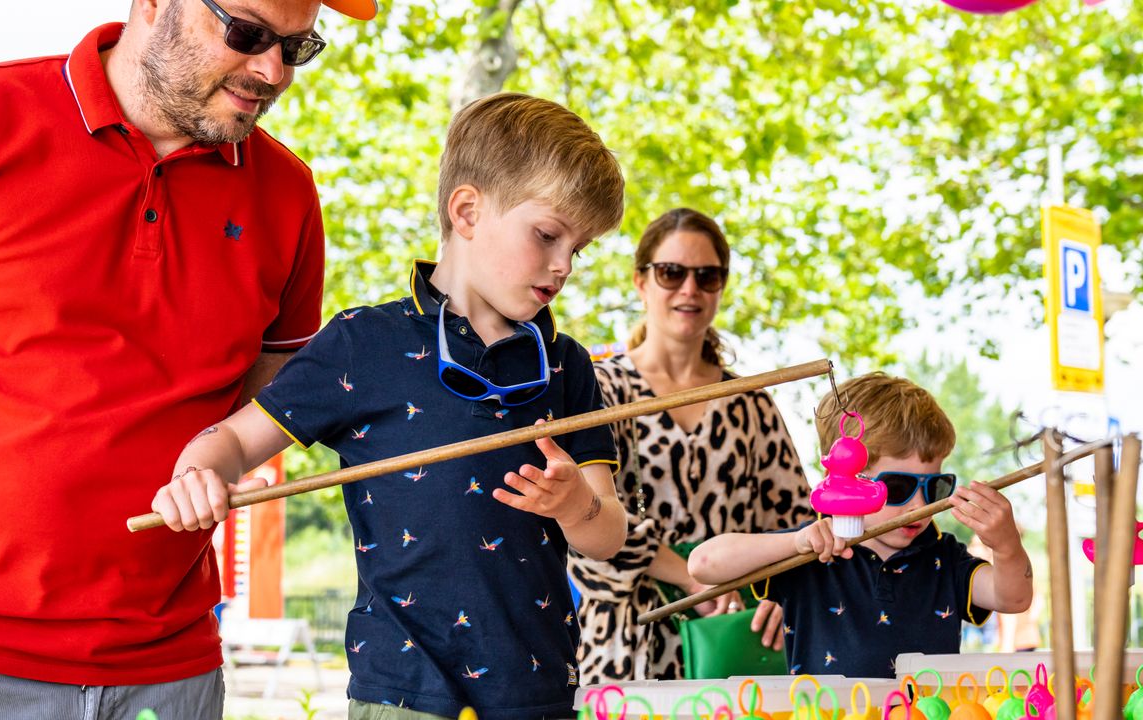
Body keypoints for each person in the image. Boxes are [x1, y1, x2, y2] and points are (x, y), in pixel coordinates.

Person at [0, 0, 375, 716]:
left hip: (170, 667)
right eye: (248, 34)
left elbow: (261, 409)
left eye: (297, 47)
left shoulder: (289, 196)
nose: (272, 71)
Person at [152, 92, 628, 719]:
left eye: (580, 247)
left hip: (535, 692)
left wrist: (575, 506)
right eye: (547, 235)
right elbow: (235, 441)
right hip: (399, 690)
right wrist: (197, 473)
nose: (565, 264)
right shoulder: (361, 342)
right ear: (467, 211)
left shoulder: (567, 365)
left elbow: (608, 536)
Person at [567, 208, 814, 683]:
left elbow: (797, 527)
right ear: (641, 281)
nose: (689, 289)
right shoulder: (599, 391)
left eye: (707, 276)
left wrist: (784, 598)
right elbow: (580, 521)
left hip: (735, 648)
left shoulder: (752, 403)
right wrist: (689, 574)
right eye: (671, 273)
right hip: (626, 649)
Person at [688, 373, 1035, 678]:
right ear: (840, 478)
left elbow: (1014, 598)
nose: (918, 505)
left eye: (934, 487)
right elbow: (703, 565)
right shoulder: (811, 551)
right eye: (897, 487)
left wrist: (1006, 546)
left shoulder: (945, 557)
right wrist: (793, 544)